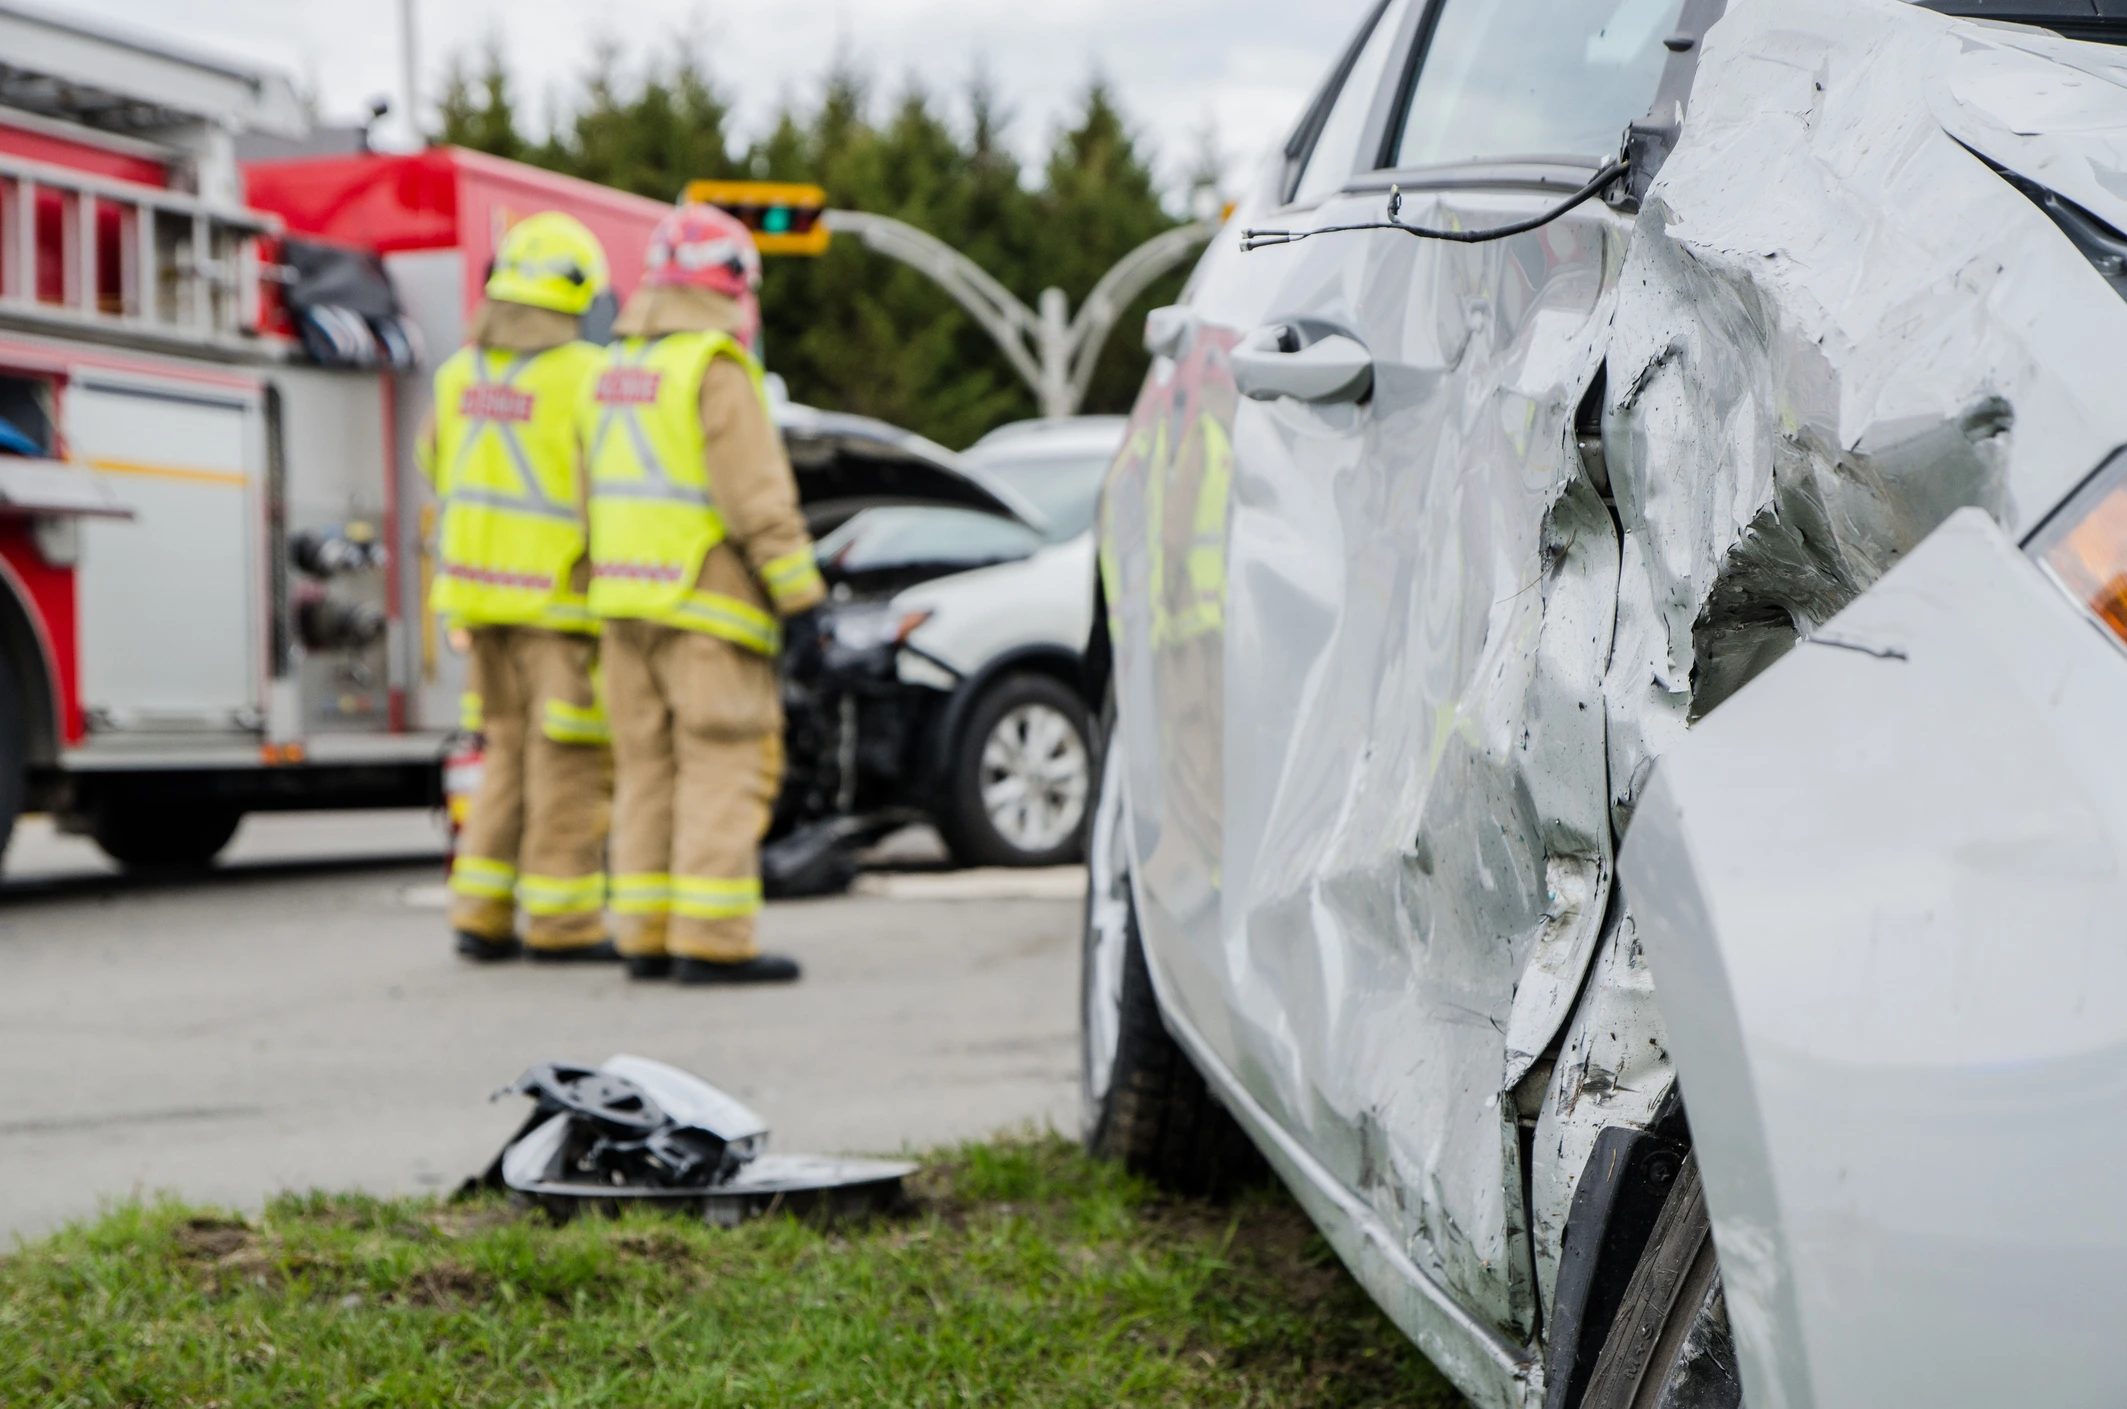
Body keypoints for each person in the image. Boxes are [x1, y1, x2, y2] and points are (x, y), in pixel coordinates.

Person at [586, 204, 825, 985]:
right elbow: (756, 498)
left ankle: (645, 933)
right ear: (732, 282)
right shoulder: (713, 367)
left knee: (646, 770)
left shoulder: (615, 368)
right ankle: (713, 938)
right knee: (725, 763)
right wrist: (801, 603)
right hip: (706, 606)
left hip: (624, 607)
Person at [421, 212, 616, 964]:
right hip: (557, 605)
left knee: (503, 756)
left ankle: (481, 913)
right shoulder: (584, 378)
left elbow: (433, 464)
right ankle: (565, 923)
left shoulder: (456, 375)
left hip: (477, 599)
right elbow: (606, 490)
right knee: (568, 763)